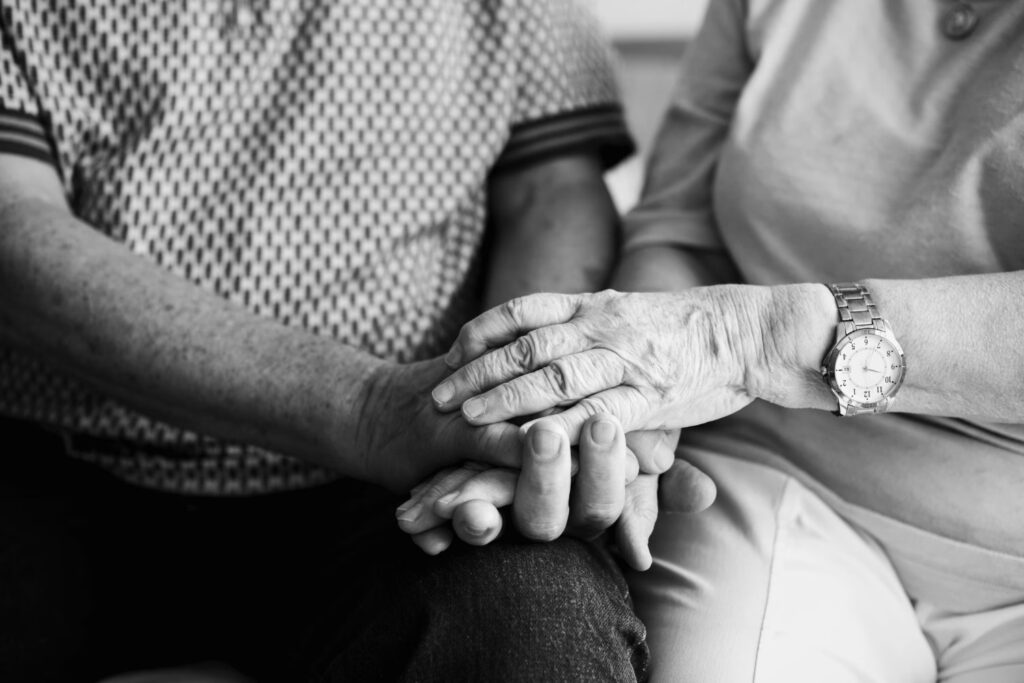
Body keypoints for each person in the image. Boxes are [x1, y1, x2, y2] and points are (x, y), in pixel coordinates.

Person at [0, 2, 683, 680]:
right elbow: (12, 227)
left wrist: (527, 417)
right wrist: (370, 408)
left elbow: (552, 194)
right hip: (62, 462)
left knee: (533, 620)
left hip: (404, 485)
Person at [418, 0, 1024, 680]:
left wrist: (749, 339)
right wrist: (621, 424)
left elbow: (725, 336)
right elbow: (679, 231)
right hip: (785, 481)